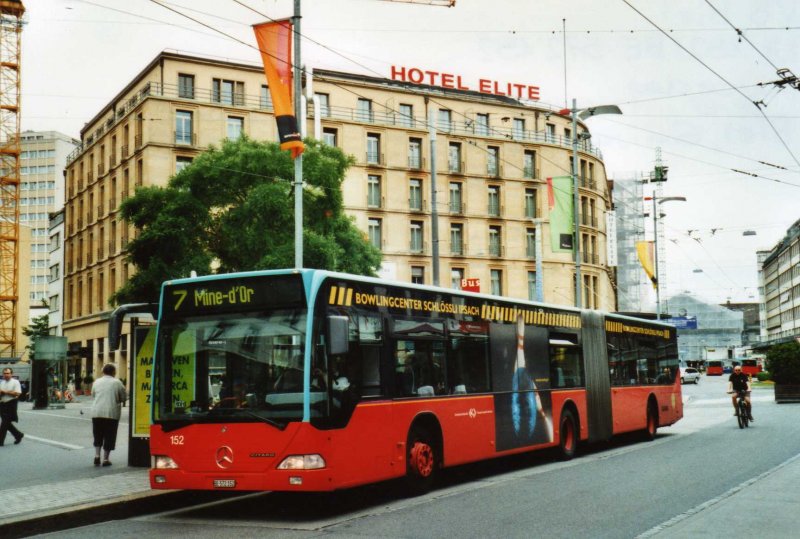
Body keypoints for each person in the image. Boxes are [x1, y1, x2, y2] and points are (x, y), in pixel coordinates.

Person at [91, 364, 128, 466]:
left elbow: (93, 394)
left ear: (103, 371)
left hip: (97, 412)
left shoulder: (96, 382)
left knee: (97, 434)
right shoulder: (117, 383)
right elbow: (124, 398)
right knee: (109, 436)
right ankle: (105, 459)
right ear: (114, 372)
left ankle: (97, 456)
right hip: (111, 413)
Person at [0, 367, 24, 445]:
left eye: (8, 373)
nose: (6, 375)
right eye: (5, 373)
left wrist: (5, 392)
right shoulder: (2, 382)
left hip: (11, 404)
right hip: (3, 404)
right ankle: (18, 435)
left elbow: (17, 393)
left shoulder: (15, 382)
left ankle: (0, 441)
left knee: (4, 423)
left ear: (11, 374)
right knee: (6, 423)